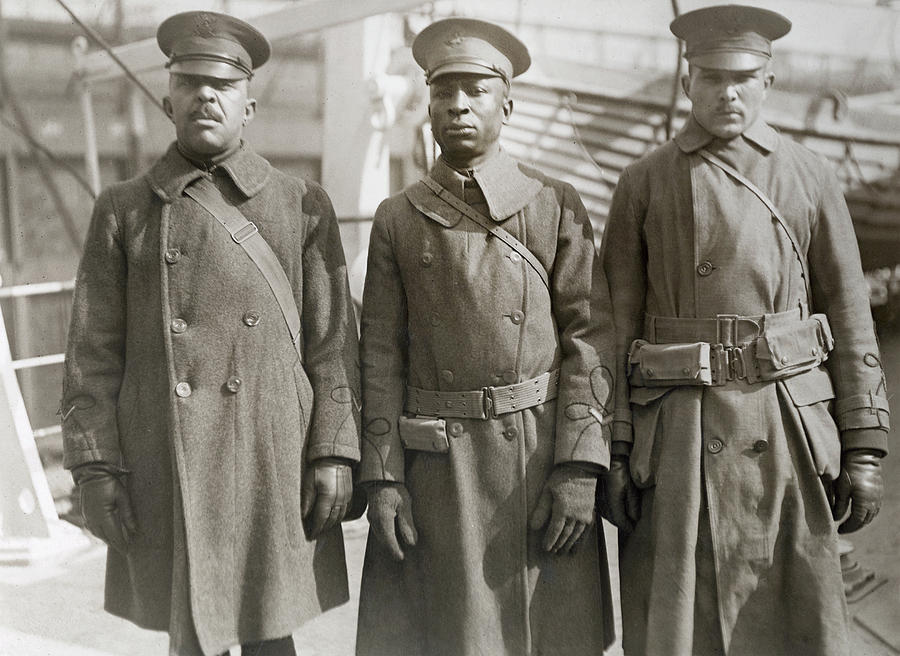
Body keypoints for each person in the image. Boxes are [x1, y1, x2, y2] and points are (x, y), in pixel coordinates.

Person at [60, 11, 360, 656]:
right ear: (168, 98)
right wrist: (94, 467)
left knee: (269, 633)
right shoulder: (125, 209)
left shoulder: (299, 203)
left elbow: (333, 345)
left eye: (221, 85)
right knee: (189, 634)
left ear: (248, 106)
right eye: (190, 82)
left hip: (268, 457)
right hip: (165, 457)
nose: (205, 95)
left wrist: (334, 450)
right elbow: (91, 355)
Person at [599, 5, 889, 655]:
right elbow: (611, 324)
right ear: (685, 85)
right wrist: (614, 448)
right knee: (683, 622)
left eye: (743, 77)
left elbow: (848, 312)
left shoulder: (810, 175)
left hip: (784, 431)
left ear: (768, 82)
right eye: (709, 77)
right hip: (676, 435)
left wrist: (864, 446)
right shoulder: (643, 182)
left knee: (790, 620)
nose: (727, 92)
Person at [355, 17, 617, 656]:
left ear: (508, 102)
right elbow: (380, 357)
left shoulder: (555, 204)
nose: (458, 105)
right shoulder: (398, 218)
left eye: (475, 90)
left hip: (535, 462)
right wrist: (385, 481)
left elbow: (592, 340)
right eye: (444, 92)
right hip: (438, 474)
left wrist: (579, 468)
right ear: (428, 105)